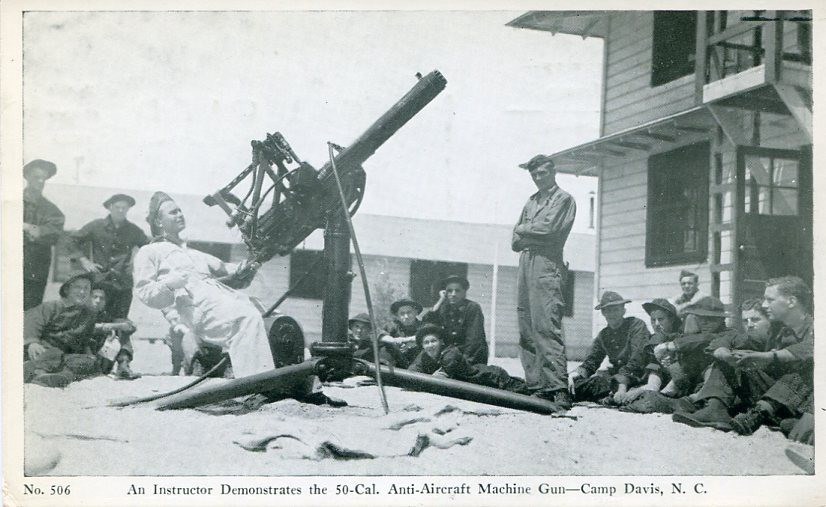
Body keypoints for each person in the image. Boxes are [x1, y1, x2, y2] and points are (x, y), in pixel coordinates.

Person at [673, 276, 813, 436]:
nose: (765, 305)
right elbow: (729, 339)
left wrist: (766, 356)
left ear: (791, 301)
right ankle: (715, 409)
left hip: (801, 403)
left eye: (770, 299)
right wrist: (726, 353)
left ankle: (763, 415)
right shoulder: (775, 330)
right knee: (734, 358)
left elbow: (810, 349)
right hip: (770, 396)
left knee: (808, 369)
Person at [511, 154, 576, 407]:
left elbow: (550, 232)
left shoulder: (564, 199)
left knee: (546, 325)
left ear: (553, 172)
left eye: (543, 173)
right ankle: (537, 386)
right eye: (534, 174)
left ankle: (558, 387)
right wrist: (530, 232)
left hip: (547, 265)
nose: (539, 178)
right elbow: (515, 242)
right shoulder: (531, 202)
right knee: (526, 325)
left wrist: (526, 230)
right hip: (526, 264)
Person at [69, 193, 149, 318]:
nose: (121, 210)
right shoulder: (96, 226)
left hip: (123, 285)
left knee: (119, 322)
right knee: (94, 319)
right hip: (100, 282)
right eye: (117, 207)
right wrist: (84, 261)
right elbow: (72, 241)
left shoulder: (134, 230)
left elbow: (149, 248)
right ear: (110, 207)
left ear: (128, 209)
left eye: (124, 207)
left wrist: (137, 265)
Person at [567, 292, 650, 404]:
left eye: (615, 309)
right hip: (615, 380)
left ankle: (614, 397)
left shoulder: (636, 325)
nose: (612, 314)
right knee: (577, 384)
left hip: (639, 377)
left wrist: (622, 386)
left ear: (623, 311)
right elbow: (592, 361)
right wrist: (574, 376)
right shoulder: (604, 335)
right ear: (603, 313)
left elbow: (637, 359)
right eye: (608, 310)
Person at [24, 272, 101, 387]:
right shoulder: (51, 307)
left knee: (88, 362)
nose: (82, 292)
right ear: (66, 290)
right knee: (51, 354)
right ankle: (39, 373)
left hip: (66, 354)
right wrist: (32, 343)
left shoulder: (88, 314)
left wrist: (89, 356)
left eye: (86, 288)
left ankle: (61, 377)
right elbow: (32, 323)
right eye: (78, 287)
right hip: (44, 349)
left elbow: (85, 340)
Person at [409, 324, 529, 394]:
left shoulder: (451, 353)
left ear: (441, 342)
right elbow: (411, 373)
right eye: (426, 343)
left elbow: (437, 381)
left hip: (491, 378)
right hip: (477, 383)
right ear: (422, 346)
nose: (430, 345)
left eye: (433, 341)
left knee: (525, 391)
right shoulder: (424, 354)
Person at [615, 298, 682, 404]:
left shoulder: (682, 338)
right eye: (652, 320)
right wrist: (646, 387)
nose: (656, 324)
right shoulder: (653, 341)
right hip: (661, 382)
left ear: (672, 319)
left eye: (661, 319)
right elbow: (653, 367)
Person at [23, 159, 65, 310]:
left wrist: (28, 227)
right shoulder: (11, 202)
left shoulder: (52, 211)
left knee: (30, 313)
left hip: (34, 272)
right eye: (36, 177)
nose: (40, 181)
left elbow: (54, 233)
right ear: (27, 176)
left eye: (43, 178)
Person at [422, 275, 488, 366]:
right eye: (449, 291)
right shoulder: (444, 308)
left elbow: (474, 340)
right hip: (449, 356)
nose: (453, 294)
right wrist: (441, 299)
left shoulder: (472, 307)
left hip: (470, 357)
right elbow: (427, 323)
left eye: (457, 291)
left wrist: (464, 364)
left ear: (464, 292)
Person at [89, 283, 140, 380]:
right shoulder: (82, 312)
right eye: (94, 297)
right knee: (119, 326)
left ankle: (123, 365)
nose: (98, 301)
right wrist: (115, 327)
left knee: (121, 328)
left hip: (103, 360)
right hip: (86, 356)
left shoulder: (105, 315)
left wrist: (129, 326)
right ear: (88, 298)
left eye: (102, 298)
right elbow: (90, 327)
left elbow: (129, 327)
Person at [379, 298, 426, 366]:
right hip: (396, 363)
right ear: (397, 316)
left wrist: (406, 341)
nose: (406, 316)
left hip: (416, 364)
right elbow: (378, 334)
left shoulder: (423, 326)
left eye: (409, 312)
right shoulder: (392, 326)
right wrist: (393, 341)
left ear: (416, 312)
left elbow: (428, 334)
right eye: (402, 313)